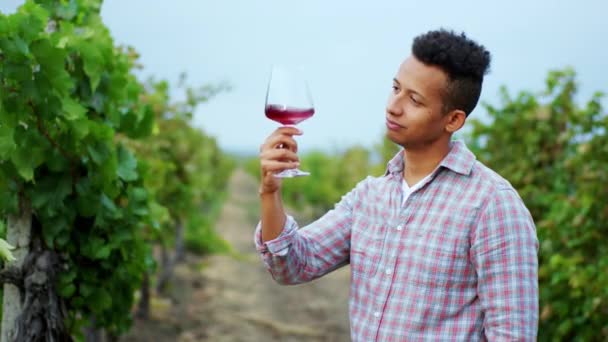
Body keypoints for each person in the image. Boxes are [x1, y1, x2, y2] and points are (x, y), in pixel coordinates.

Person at [254, 29, 539, 341]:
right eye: (395, 88)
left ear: (454, 120)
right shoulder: (369, 197)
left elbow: (513, 335)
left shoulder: (492, 205)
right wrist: (270, 191)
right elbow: (292, 265)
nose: (394, 106)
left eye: (414, 99)